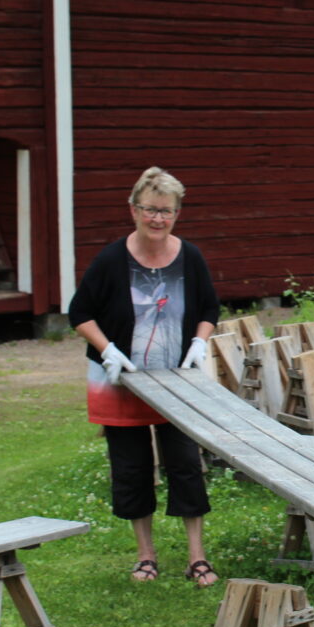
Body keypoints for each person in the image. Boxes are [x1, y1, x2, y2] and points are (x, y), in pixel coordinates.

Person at [69, 167, 222, 587]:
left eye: (167, 212)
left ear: (177, 214)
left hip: (175, 383)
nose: (158, 219)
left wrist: (199, 342)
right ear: (134, 209)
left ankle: (197, 556)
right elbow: (79, 313)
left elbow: (209, 308)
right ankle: (146, 556)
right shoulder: (110, 260)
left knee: (186, 464)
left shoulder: (189, 256)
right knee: (132, 468)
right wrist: (107, 350)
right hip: (122, 381)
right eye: (151, 210)